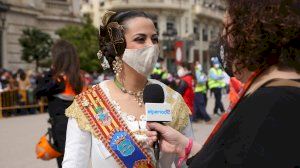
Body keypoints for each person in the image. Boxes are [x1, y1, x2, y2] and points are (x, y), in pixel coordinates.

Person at [147, 0, 300, 167]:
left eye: (227, 29)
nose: (223, 41)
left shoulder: (271, 105)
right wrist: (186, 146)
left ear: (253, 31)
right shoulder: (273, 92)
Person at [62, 10, 193, 168]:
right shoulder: (90, 103)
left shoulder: (173, 100)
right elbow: (74, 164)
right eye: (140, 39)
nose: (151, 46)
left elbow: (188, 163)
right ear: (117, 47)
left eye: (155, 39)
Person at [35, 40, 85, 168]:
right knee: (75, 158)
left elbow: (38, 90)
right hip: (77, 121)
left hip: (60, 124)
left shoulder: (57, 79)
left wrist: (51, 70)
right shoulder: (78, 76)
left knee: (64, 160)